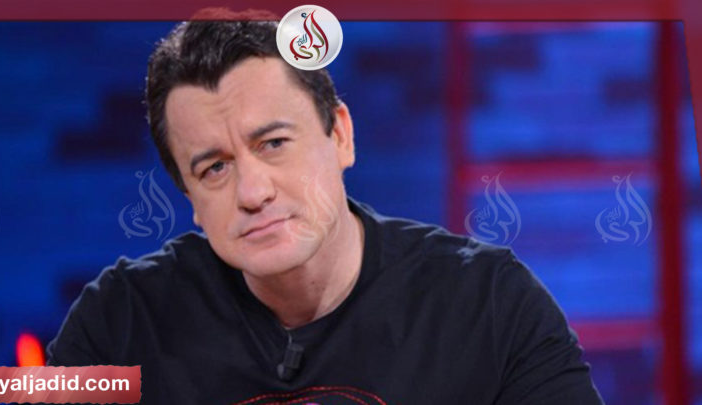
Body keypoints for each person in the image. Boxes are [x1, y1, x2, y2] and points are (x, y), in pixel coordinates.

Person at [47, 10, 604, 404]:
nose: (253, 192)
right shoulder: (118, 324)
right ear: (190, 198)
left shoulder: (490, 305)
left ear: (340, 135)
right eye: (214, 168)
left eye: (273, 143)